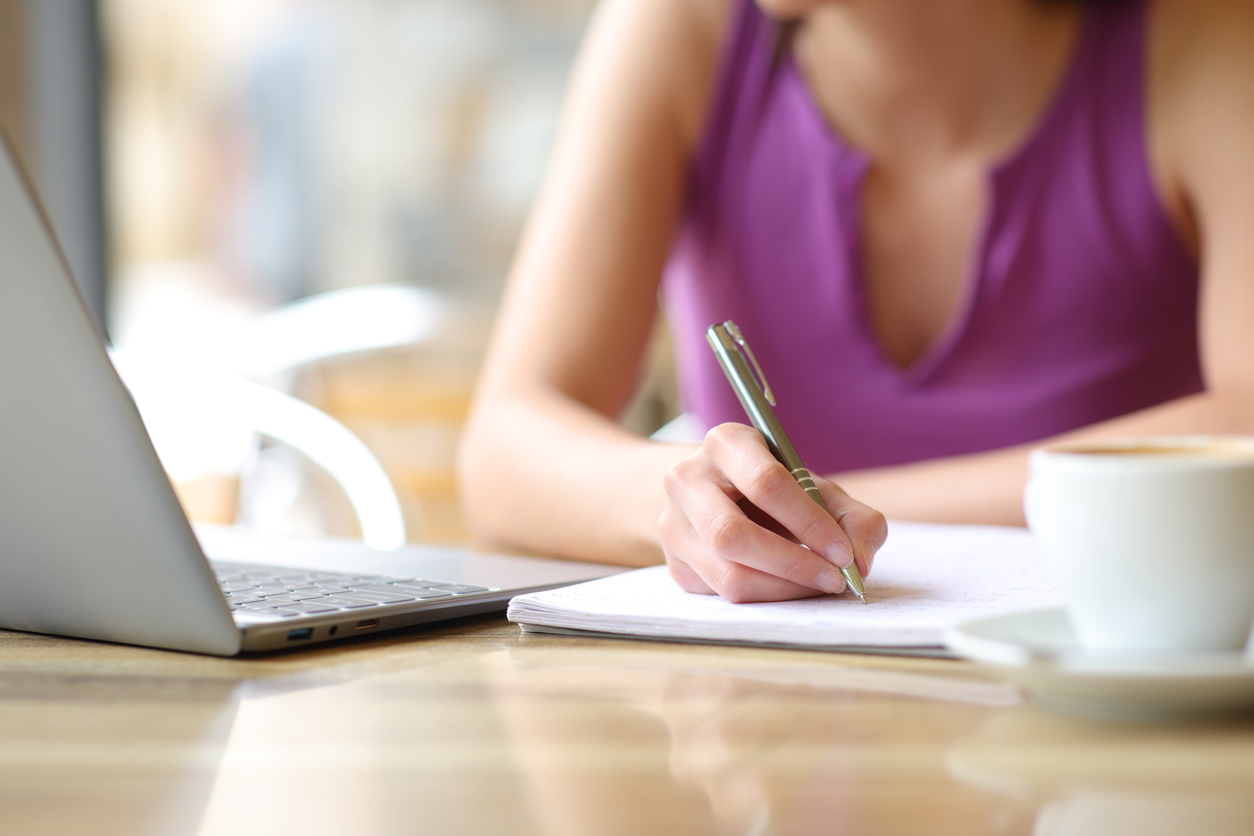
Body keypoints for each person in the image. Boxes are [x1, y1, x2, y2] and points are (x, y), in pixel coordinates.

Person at [457, 0, 1254, 603]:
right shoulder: (681, 28)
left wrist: (823, 513)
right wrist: (698, 506)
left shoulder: (1207, 38)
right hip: (769, 739)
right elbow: (505, 446)